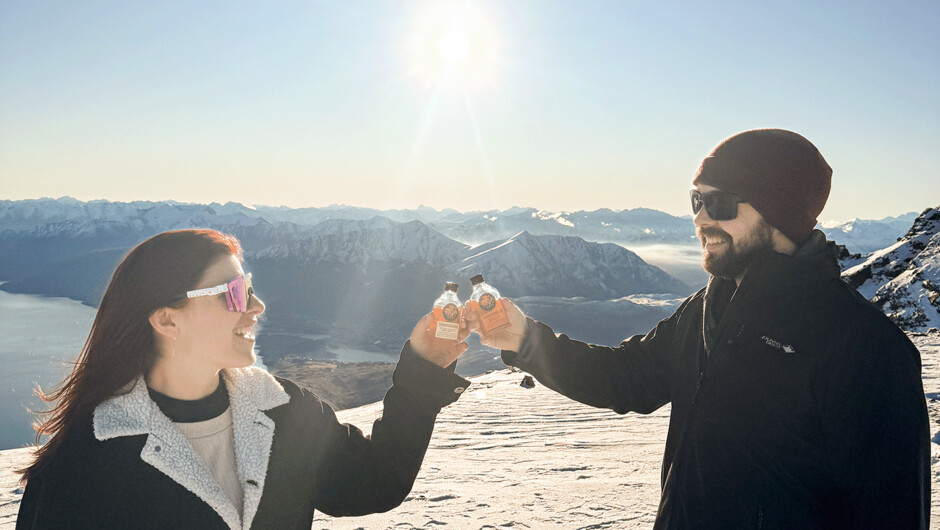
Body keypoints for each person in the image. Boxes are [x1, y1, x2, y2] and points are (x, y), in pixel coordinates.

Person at [468, 129, 930, 528]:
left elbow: (891, 515)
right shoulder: (709, 307)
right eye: (696, 200)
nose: (701, 218)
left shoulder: (866, 349)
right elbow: (627, 376)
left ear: (778, 213)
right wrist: (525, 340)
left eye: (720, 202)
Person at [16, 229, 471, 529]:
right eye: (235, 294)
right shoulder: (85, 462)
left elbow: (375, 481)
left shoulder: (284, 411)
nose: (257, 307)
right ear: (167, 320)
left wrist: (423, 369)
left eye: (249, 288)